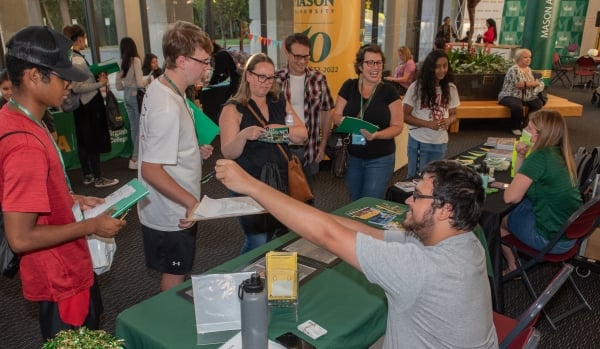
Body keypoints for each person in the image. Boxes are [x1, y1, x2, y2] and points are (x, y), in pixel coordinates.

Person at [215, 158, 497, 348]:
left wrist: (251, 186)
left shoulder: (420, 268)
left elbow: (326, 235)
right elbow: (369, 233)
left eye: (418, 195)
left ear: (446, 209)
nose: (408, 200)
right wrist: (313, 215)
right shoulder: (466, 239)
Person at [0, 25, 125, 340]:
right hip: (62, 276)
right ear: (33, 76)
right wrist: (90, 226)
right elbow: (21, 238)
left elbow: (30, 190)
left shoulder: (16, 118)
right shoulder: (25, 142)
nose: (68, 83)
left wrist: (69, 198)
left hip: (58, 271)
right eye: (60, 75)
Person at [138, 21, 214, 292]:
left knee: (179, 269)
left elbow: (165, 141)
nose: (207, 67)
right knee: (175, 275)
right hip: (172, 210)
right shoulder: (167, 105)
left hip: (173, 203)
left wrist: (194, 147)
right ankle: (166, 328)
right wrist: (191, 202)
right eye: (203, 61)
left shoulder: (165, 87)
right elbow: (151, 169)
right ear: (182, 60)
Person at [219, 53, 308, 253]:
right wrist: (243, 135)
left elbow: (302, 135)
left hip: (281, 181)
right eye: (261, 77)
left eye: (271, 77)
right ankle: (248, 279)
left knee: (282, 236)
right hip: (249, 184)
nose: (266, 83)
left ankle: (272, 278)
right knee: (257, 240)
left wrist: (283, 131)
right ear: (248, 76)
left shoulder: (278, 102)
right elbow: (228, 152)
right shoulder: (233, 109)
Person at [498, 110, 581, 274]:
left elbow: (510, 197)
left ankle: (512, 266)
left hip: (551, 240)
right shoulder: (560, 152)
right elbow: (523, 183)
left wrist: (527, 160)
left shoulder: (539, 157)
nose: (525, 131)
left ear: (540, 135)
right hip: (570, 234)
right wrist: (521, 156)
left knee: (497, 220)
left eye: (529, 128)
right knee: (522, 204)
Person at [332, 44, 403, 201]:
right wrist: (344, 121)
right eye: (370, 62)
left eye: (378, 63)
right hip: (353, 157)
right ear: (360, 66)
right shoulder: (349, 86)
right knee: (354, 200)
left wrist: (377, 135)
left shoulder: (389, 91)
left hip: (380, 158)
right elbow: (336, 115)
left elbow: (398, 126)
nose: (375, 67)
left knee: (371, 201)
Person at [62, 24, 119, 188]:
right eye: (85, 38)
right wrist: (99, 83)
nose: (85, 41)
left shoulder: (71, 56)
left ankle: (88, 175)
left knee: (84, 141)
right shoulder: (77, 59)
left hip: (82, 106)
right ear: (79, 38)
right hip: (88, 104)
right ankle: (98, 176)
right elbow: (79, 86)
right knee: (92, 140)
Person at [276, 33, 335, 190]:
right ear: (287, 53)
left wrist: (322, 146)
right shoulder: (275, 80)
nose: (302, 61)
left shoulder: (318, 79)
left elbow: (327, 111)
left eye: (306, 56)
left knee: (307, 197)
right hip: (281, 149)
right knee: (280, 198)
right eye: (297, 56)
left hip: (310, 150)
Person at [403, 49, 459, 179]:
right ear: (430, 68)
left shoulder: (451, 88)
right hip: (419, 142)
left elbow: (454, 114)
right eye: (437, 66)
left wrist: (449, 121)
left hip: (440, 143)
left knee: (435, 180)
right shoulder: (417, 87)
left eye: (445, 66)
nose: (442, 70)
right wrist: (427, 124)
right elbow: (405, 115)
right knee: (415, 179)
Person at [116, 37, 149, 171]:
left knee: (134, 128)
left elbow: (118, 86)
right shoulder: (135, 60)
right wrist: (149, 80)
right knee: (140, 128)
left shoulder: (121, 62)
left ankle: (135, 157)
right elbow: (141, 83)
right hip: (136, 96)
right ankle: (135, 158)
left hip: (126, 96)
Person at [498, 48, 545, 136]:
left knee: (538, 104)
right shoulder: (514, 69)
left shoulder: (529, 69)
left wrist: (535, 84)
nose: (528, 59)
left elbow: (528, 83)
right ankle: (515, 127)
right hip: (510, 95)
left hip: (526, 95)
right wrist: (535, 83)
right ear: (518, 58)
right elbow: (519, 84)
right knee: (517, 106)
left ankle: (526, 123)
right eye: (525, 57)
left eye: (530, 57)